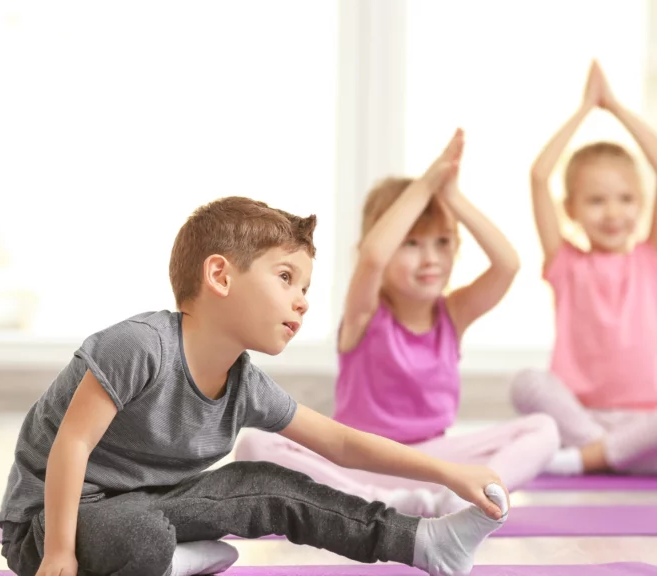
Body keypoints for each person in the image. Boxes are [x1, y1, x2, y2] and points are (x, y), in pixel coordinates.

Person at [0, 191, 510, 576]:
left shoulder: (246, 385)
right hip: (51, 526)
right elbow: (73, 442)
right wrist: (60, 552)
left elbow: (341, 442)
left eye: (305, 287)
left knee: (269, 483)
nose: (302, 300)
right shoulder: (139, 346)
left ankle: (424, 543)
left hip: (159, 507)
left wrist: (448, 473)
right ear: (219, 277)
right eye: (285, 278)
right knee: (138, 533)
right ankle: (171, 560)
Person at [236, 129, 559, 516]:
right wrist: (426, 183)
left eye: (442, 242)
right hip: (358, 460)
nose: (431, 259)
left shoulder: (452, 315)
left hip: (430, 464)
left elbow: (507, 264)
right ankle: (380, 502)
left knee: (544, 429)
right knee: (255, 444)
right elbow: (373, 256)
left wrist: (452, 196)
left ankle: (467, 497)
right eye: (410, 243)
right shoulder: (364, 314)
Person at [510, 59, 657, 477]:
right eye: (596, 200)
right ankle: (610, 454)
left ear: (641, 203)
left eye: (625, 198)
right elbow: (538, 176)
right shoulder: (565, 263)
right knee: (527, 383)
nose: (613, 213)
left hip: (644, 420)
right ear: (571, 209)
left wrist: (616, 108)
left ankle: (589, 459)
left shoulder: (651, 258)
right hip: (579, 417)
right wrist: (585, 110)